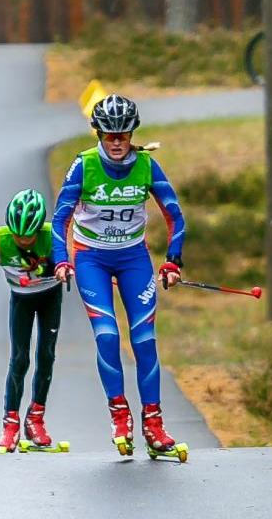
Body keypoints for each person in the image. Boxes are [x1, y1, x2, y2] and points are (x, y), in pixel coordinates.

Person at [51, 95, 190, 461]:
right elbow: (60, 218)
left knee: (145, 341)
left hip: (133, 259)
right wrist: (61, 260)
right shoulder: (83, 165)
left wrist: (173, 262)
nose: (116, 142)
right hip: (91, 259)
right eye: (109, 134)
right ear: (98, 133)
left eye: (122, 134)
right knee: (108, 335)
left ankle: (154, 425)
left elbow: (175, 215)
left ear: (132, 133)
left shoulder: (147, 165)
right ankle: (120, 416)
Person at [0, 189, 68, 453]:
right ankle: (10, 423)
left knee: (46, 355)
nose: (23, 240)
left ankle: (35, 419)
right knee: (20, 358)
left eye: (29, 235)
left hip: (49, 298)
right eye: (17, 235)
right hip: (21, 300)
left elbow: (82, 252)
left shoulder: (52, 236)